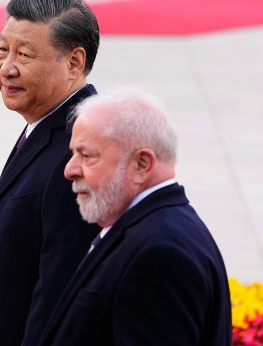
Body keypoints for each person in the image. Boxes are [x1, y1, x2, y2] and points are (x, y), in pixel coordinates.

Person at [0, 0, 101, 346]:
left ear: (74, 62)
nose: (6, 67)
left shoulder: (78, 151)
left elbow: (59, 296)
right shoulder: (42, 125)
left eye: (24, 54)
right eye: (3, 49)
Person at [38, 88, 232, 346]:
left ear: (142, 164)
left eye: (86, 156)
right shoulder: (154, 229)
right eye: (73, 153)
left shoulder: (160, 253)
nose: (69, 170)